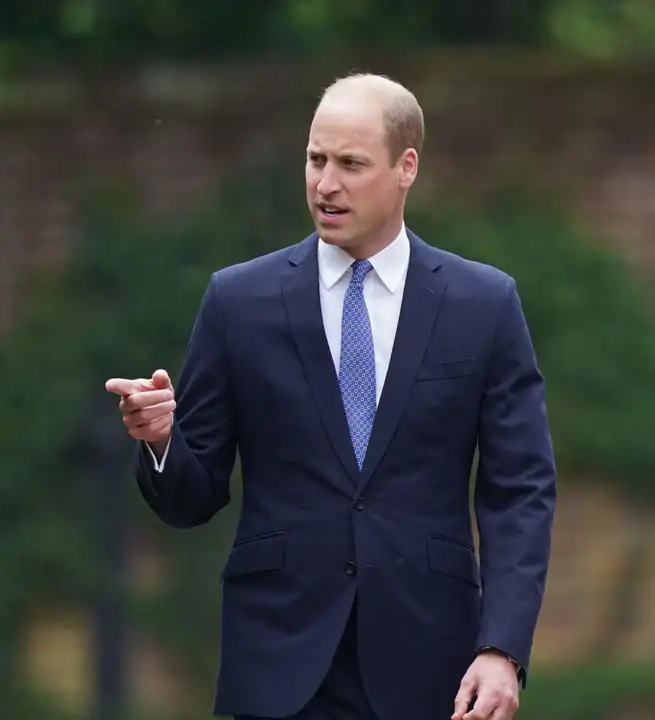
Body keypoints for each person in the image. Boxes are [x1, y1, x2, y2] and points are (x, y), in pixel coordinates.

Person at [104, 74, 557, 720]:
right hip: (279, 664)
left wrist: (503, 647)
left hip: (433, 668)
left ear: (407, 168)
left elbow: (520, 491)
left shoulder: (484, 306)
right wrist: (160, 443)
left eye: (350, 164)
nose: (325, 184)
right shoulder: (238, 302)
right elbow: (192, 495)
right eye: (316, 159)